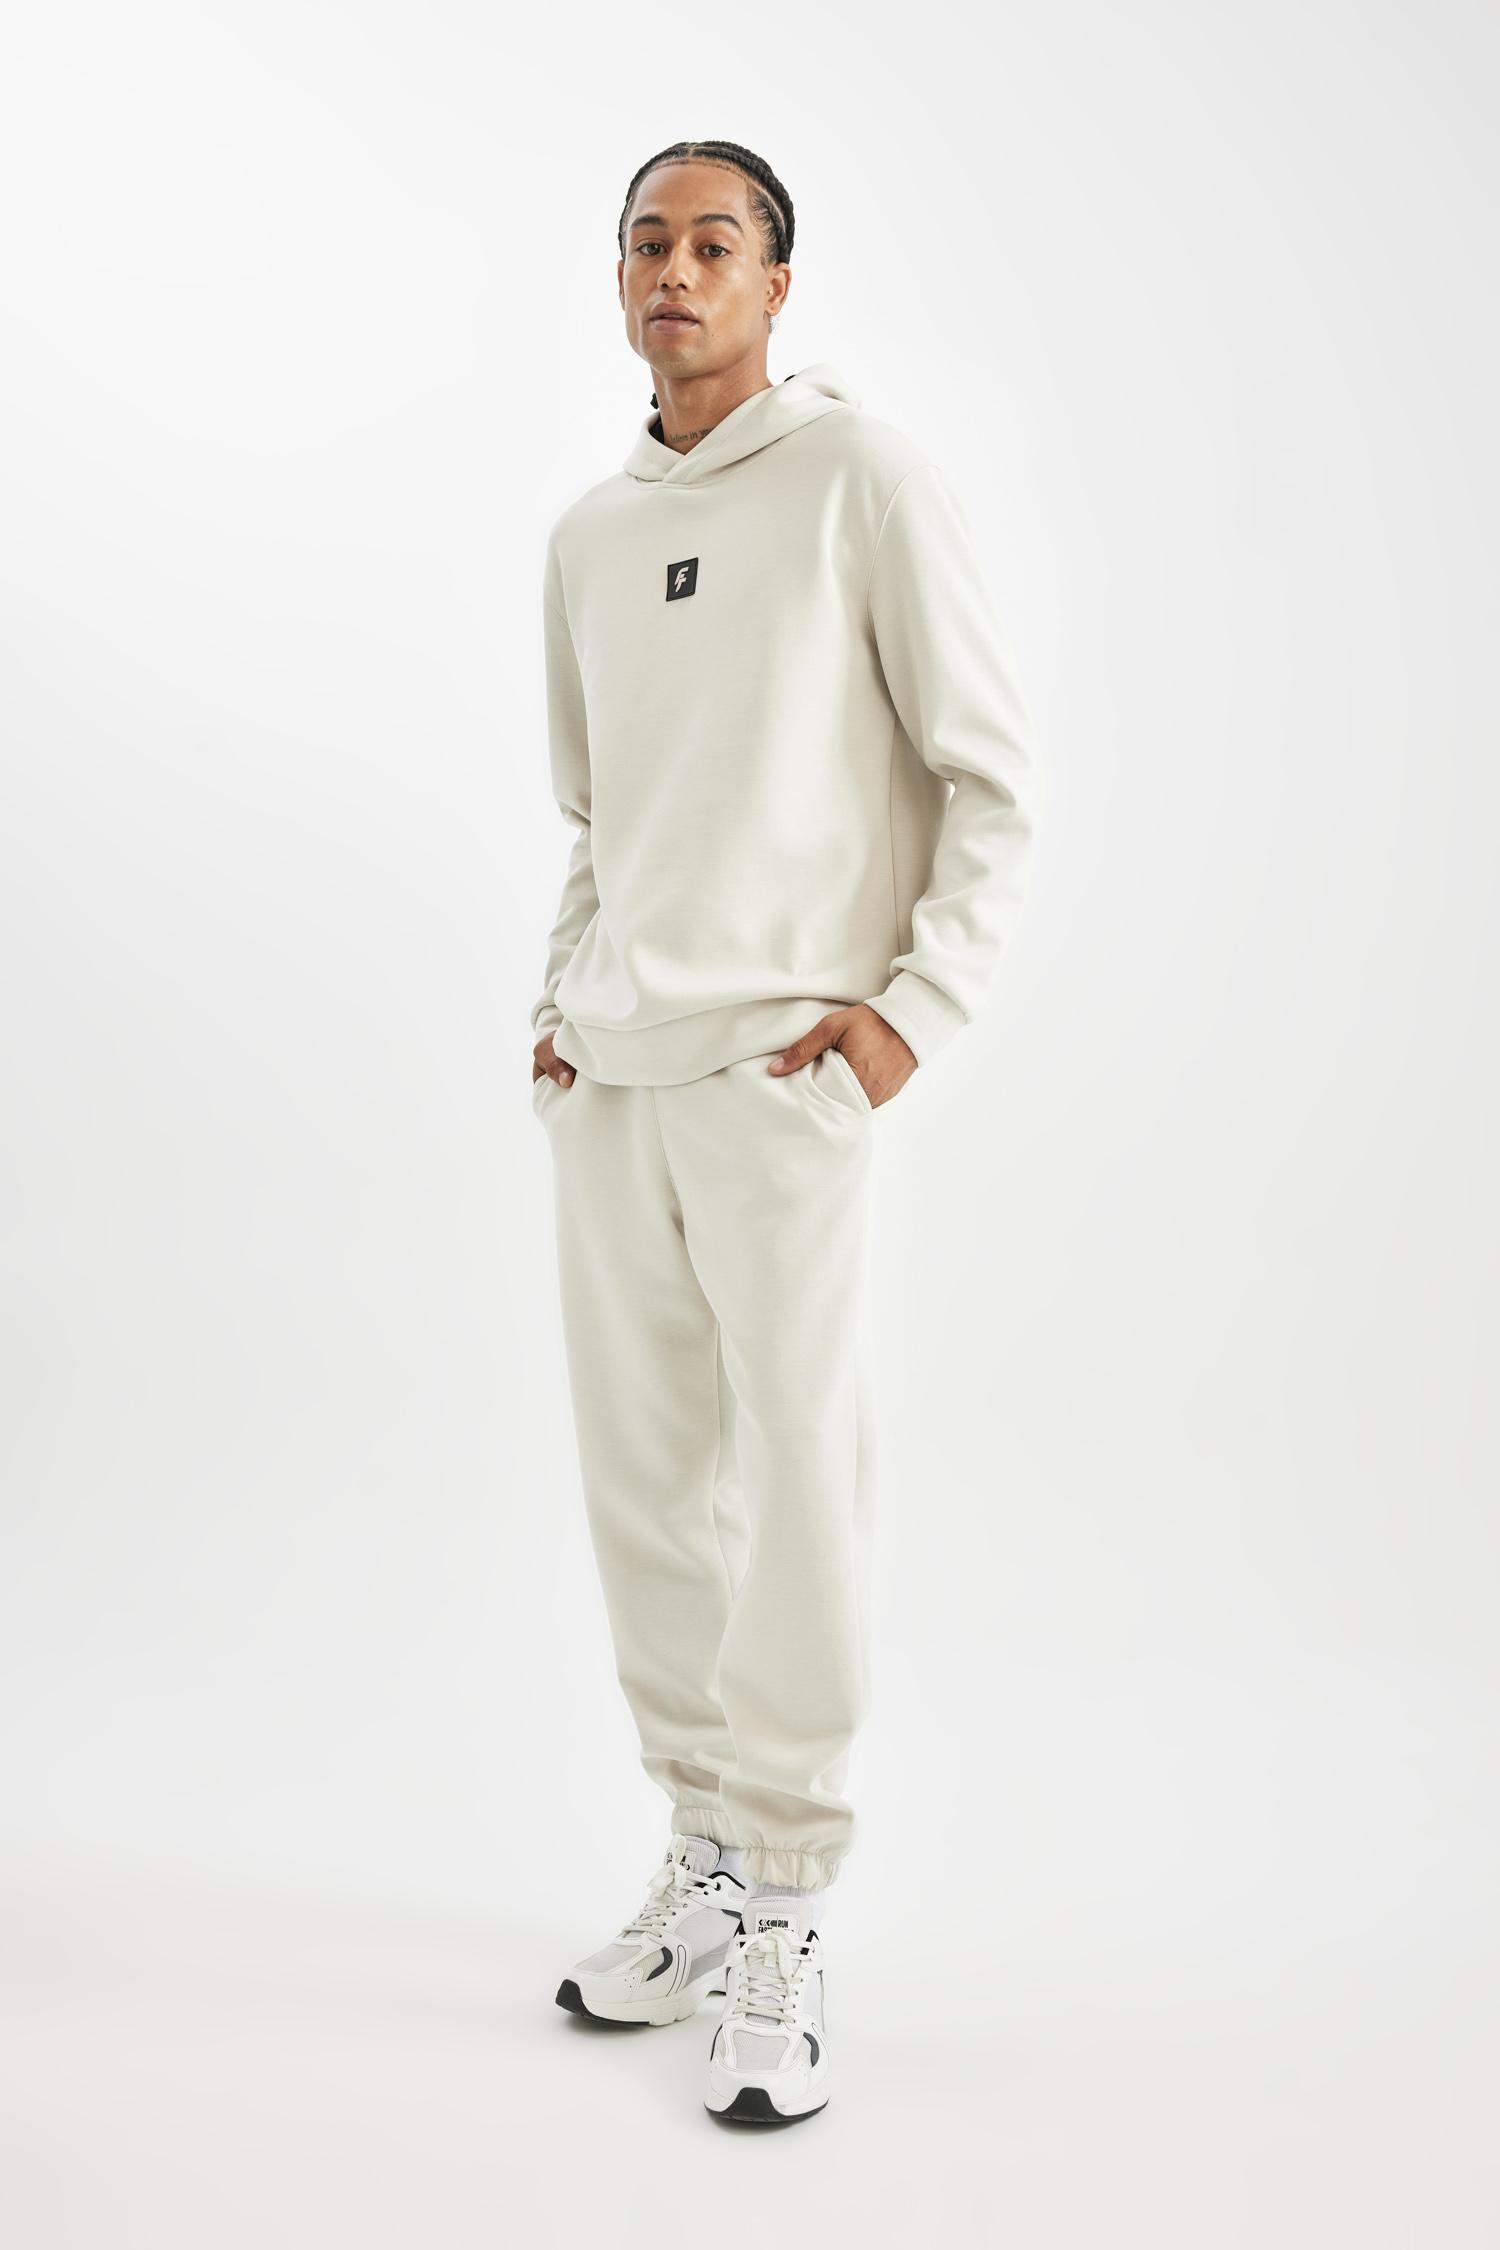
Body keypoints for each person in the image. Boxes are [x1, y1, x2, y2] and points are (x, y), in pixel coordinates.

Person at [529, 138, 1041, 2125]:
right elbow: (600, 820)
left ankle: (792, 1901)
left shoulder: (863, 483)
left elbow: (988, 778)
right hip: (615, 1081)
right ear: (620, 280)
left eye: (714, 242)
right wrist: (558, 1011)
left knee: (800, 1477)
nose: (675, 271)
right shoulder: (590, 535)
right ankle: (702, 1855)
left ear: (776, 283)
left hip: (783, 1078)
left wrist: (906, 1018)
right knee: (650, 1489)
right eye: (646, 243)